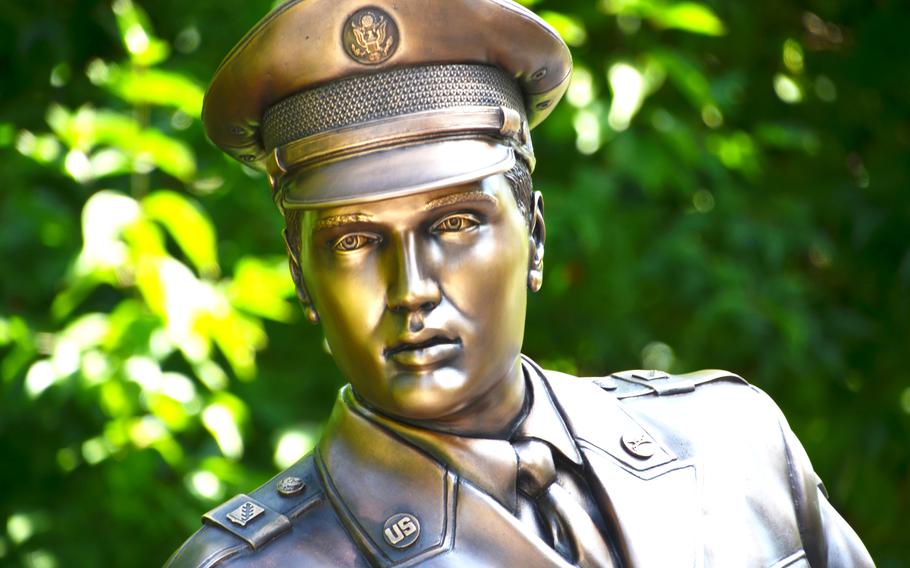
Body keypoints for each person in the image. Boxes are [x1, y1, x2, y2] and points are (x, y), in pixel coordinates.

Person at [165, 0, 874, 566]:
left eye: (455, 225)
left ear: (534, 235)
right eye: (354, 241)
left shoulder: (731, 446)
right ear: (302, 276)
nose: (410, 288)